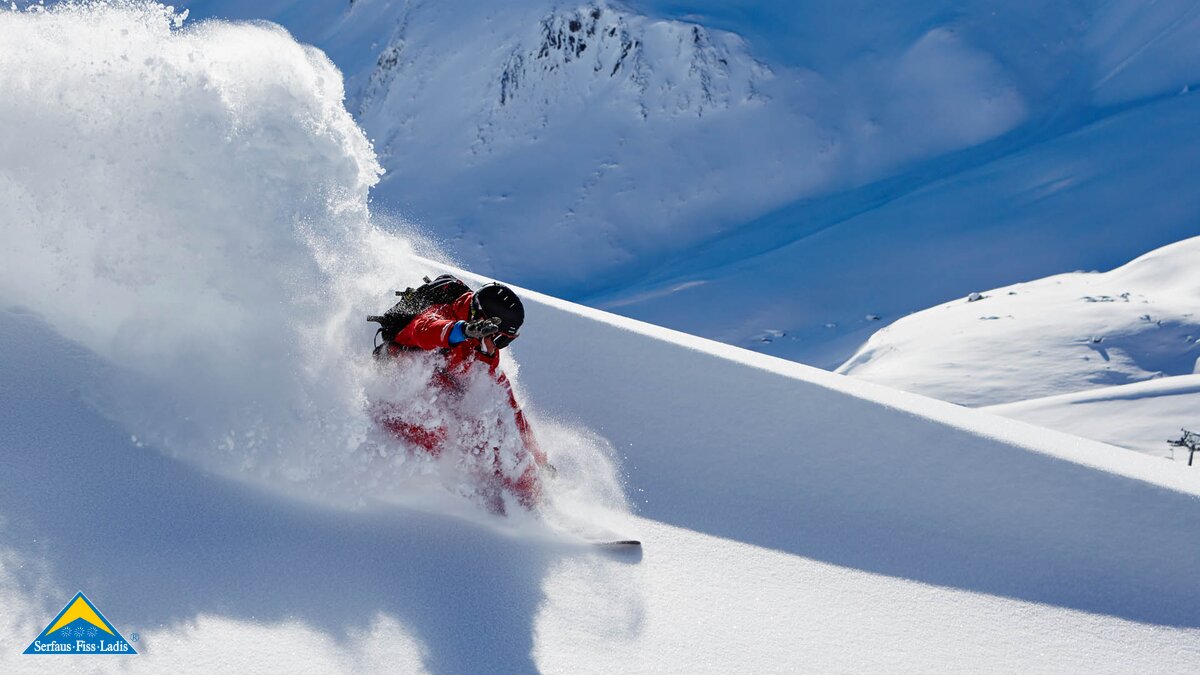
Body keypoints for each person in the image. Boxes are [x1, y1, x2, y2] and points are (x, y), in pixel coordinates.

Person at [373, 281, 549, 511]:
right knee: (437, 430)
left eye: (505, 342)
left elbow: (510, 409)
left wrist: (538, 459)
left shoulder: (485, 353)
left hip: (443, 395)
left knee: (502, 441)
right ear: (482, 320)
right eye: (499, 339)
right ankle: (459, 504)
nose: (498, 347)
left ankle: (537, 511)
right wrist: (462, 331)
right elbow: (423, 329)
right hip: (398, 391)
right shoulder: (441, 314)